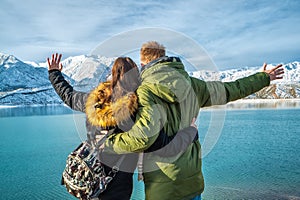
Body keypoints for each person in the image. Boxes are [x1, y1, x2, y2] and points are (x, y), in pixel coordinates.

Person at [104, 41, 285, 200]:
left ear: (144, 63)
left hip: (164, 184)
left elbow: (143, 137)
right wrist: (263, 78)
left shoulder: (145, 91)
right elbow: (230, 89)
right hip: (193, 179)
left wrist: (109, 144)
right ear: (164, 58)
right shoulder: (193, 85)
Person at [47, 53, 199, 200]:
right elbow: (163, 146)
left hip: (89, 182)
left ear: (113, 75)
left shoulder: (94, 100)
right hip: (115, 190)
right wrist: (190, 132)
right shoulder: (134, 112)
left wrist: (54, 73)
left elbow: (68, 95)